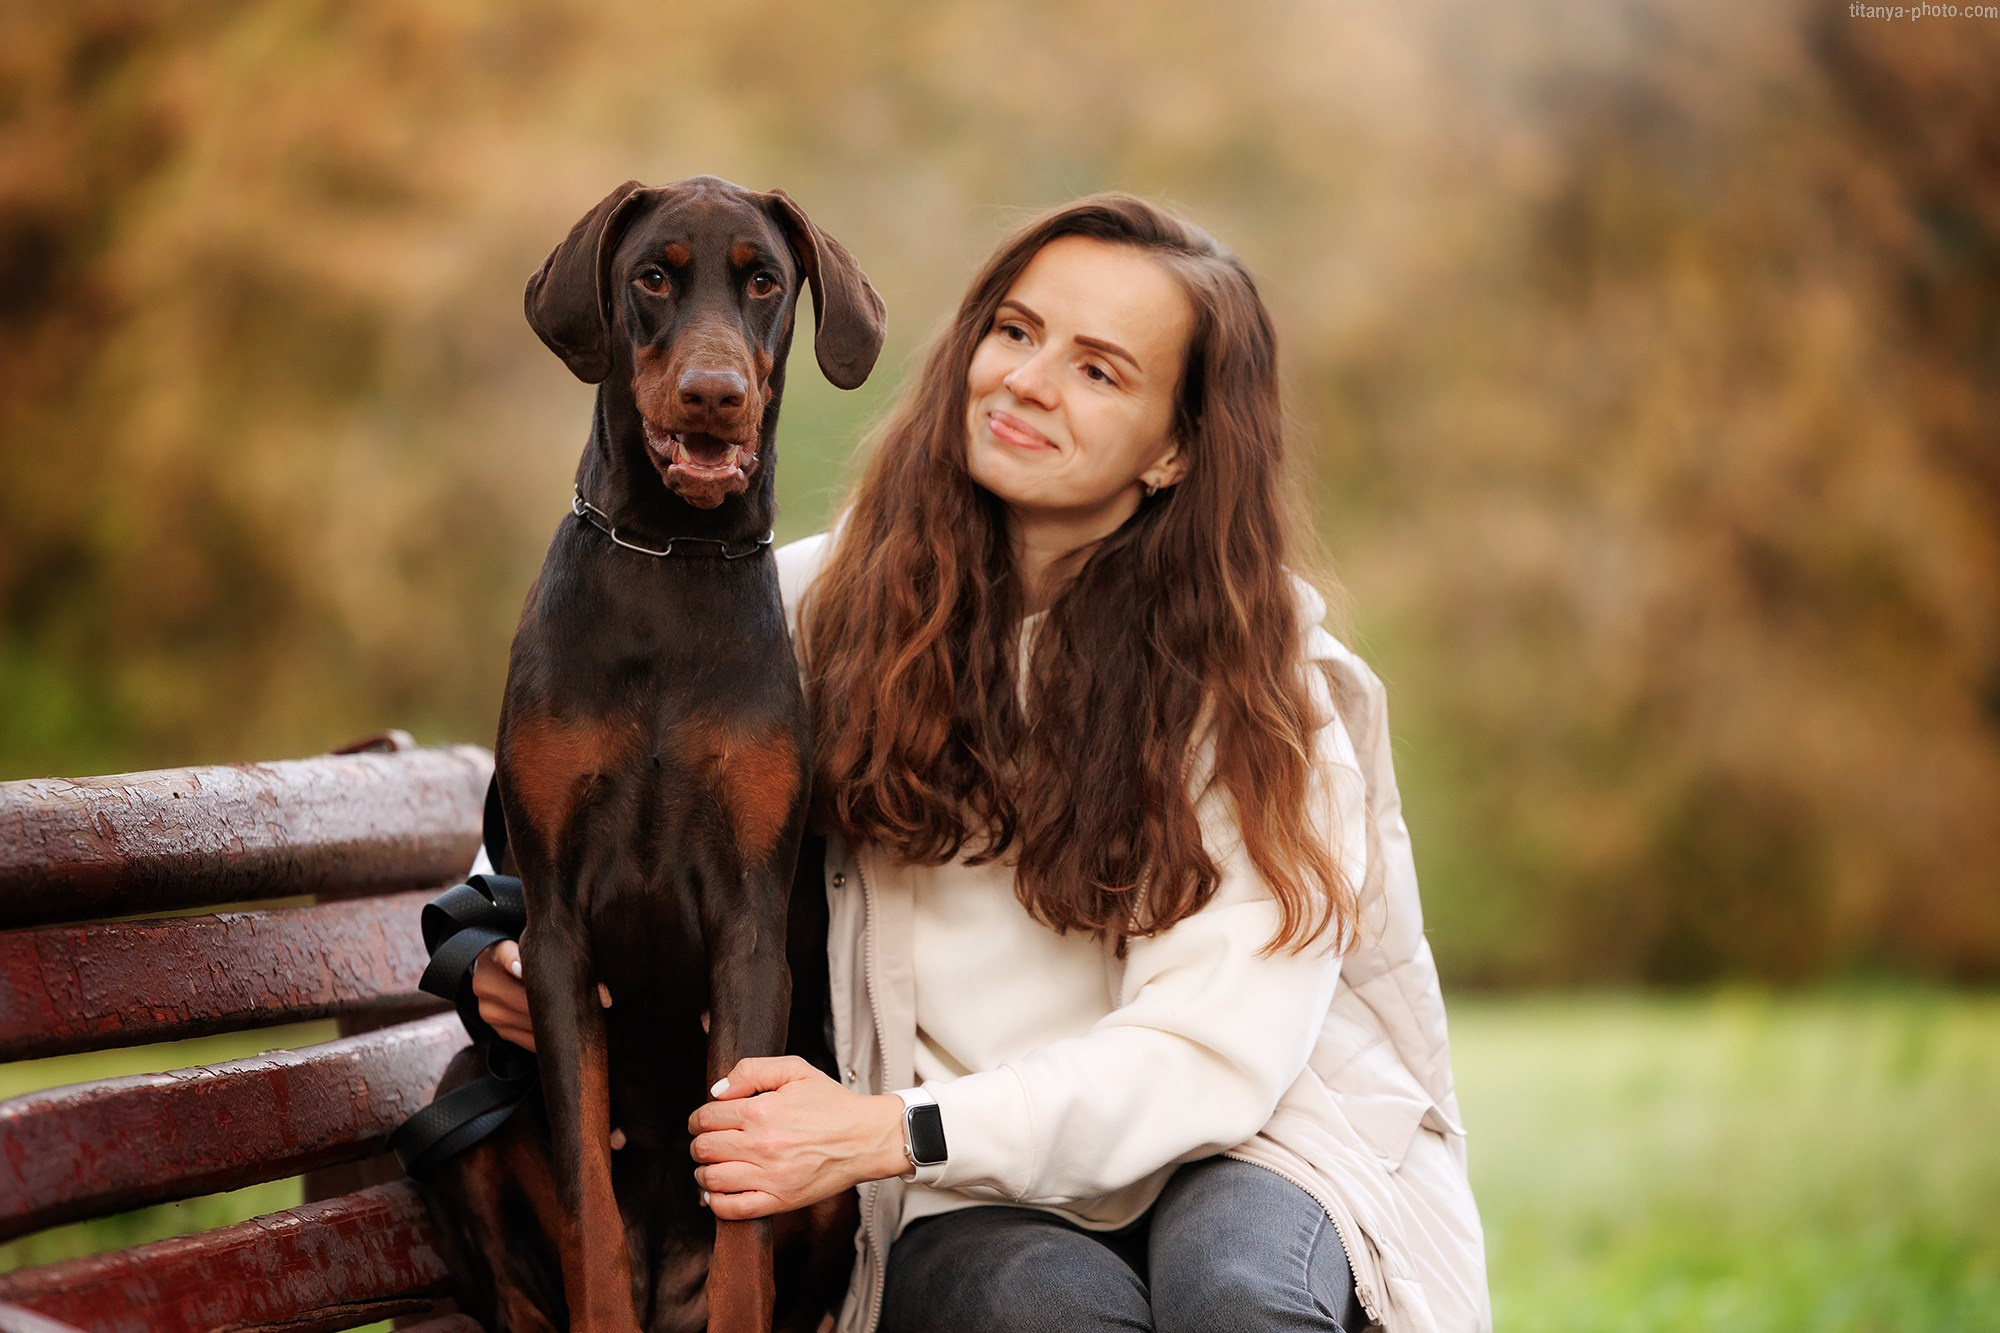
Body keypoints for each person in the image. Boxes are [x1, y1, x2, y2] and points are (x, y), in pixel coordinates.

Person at [469, 194, 1490, 1332]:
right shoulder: (802, 614)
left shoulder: (1265, 681)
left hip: (1248, 1144)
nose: (1028, 382)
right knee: (1034, 1310)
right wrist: (484, 947)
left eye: (1098, 371)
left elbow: (1209, 1059)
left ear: (1177, 446)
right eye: (1013, 332)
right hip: (970, 1188)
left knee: (1235, 1300)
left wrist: (887, 1129)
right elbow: (544, 842)